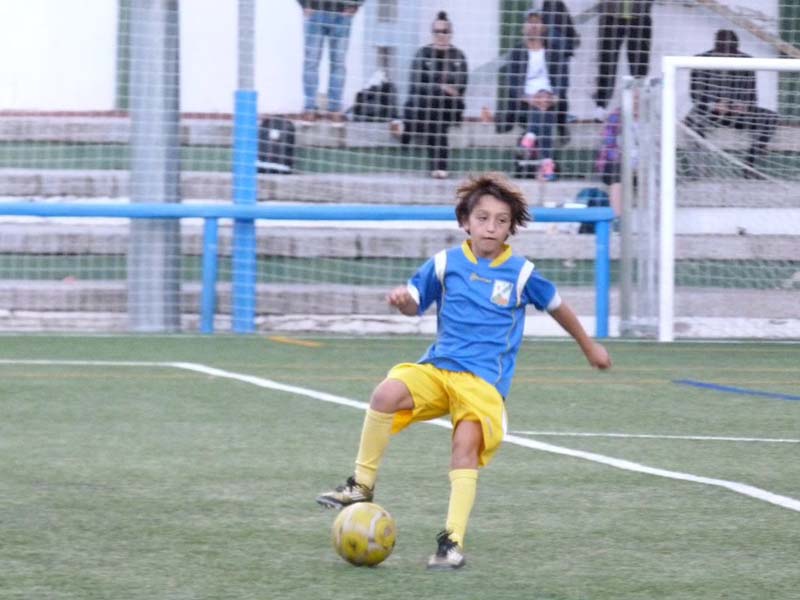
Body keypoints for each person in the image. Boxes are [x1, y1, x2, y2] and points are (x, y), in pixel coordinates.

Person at [316, 172, 613, 570]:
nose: (491, 227)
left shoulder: (522, 273)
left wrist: (589, 346)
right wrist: (403, 301)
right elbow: (415, 303)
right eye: (483, 218)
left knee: (465, 446)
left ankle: (451, 542)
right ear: (465, 222)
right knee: (386, 393)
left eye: (501, 221)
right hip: (438, 369)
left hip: (483, 384)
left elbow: (558, 307)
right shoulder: (445, 263)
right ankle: (361, 485)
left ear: (511, 228)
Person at [684, 29, 778, 178]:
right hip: (709, 113)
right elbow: (695, 95)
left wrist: (745, 106)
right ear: (716, 47)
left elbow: (752, 95)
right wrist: (713, 105)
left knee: (769, 117)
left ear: (737, 48)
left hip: (737, 114)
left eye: (731, 51)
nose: (727, 55)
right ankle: (698, 170)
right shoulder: (700, 60)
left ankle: (749, 167)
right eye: (723, 51)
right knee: (692, 122)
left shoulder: (747, 62)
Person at [393, 11, 468, 179]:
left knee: (435, 109)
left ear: (451, 33)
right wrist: (441, 88)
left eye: (445, 31)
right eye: (437, 32)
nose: (441, 35)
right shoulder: (423, 54)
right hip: (425, 104)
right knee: (433, 112)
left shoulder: (458, 56)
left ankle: (406, 128)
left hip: (450, 106)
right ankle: (440, 167)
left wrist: (435, 88)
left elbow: (460, 87)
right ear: (432, 33)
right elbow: (416, 84)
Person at [503, 10, 567, 180]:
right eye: (530, 22)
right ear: (523, 27)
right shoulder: (517, 52)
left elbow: (563, 79)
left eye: (537, 22)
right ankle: (547, 164)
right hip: (525, 101)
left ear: (544, 27)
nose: (533, 26)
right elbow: (512, 84)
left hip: (549, 98)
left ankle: (529, 138)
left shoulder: (554, 51)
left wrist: (554, 97)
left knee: (545, 107)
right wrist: (529, 98)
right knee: (543, 112)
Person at [298, 0, 364, 124]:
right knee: (311, 62)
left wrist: (355, 4)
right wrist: (304, 4)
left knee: (338, 64)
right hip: (315, 11)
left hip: (342, 14)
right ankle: (309, 109)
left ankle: (335, 109)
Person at [592, 0, 654, 122]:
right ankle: (601, 106)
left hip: (640, 16)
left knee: (640, 65)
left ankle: (638, 107)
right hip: (611, 15)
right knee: (607, 62)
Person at [539, 1, 580, 141]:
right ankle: (561, 127)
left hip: (555, 53)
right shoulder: (555, 9)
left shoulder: (550, 10)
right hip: (558, 53)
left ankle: (558, 126)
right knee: (559, 91)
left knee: (554, 90)